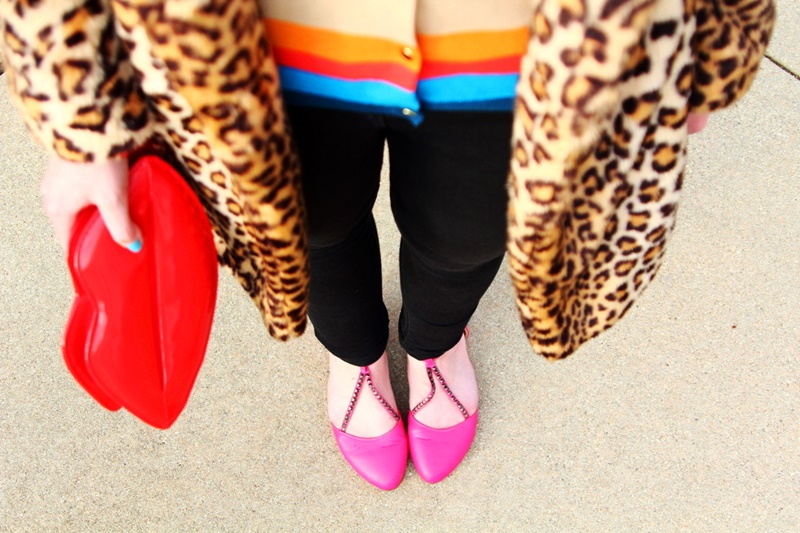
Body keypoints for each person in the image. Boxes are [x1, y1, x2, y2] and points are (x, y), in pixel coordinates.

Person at [0, 0, 774, 490]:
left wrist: (712, 42)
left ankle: (434, 341)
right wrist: (76, 110)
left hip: (517, 51)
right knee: (313, 229)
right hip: (262, 47)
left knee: (467, 231)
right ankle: (356, 350)